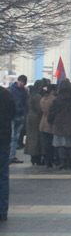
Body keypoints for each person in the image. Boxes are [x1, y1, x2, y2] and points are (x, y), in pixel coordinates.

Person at [47, 79, 71, 170]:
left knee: (60, 144)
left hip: (58, 125)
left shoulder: (57, 99)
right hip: (70, 125)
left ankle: (62, 162)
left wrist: (51, 120)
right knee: (69, 144)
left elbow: (51, 112)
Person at [0, 85, 16, 221]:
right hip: (3, 139)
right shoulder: (6, 94)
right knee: (3, 176)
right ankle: (2, 210)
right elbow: (13, 114)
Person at [8, 74, 28, 164]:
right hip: (13, 116)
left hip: (20, 115)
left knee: (16, 137)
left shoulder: (24, 91)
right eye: (21, 82)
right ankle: (9, 156)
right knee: (12, 137)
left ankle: (11, 156)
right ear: (18, 81)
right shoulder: (11, 90)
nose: (22, 84)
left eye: (23, 82)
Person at [24, 80, 44, 165]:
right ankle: (37, 157)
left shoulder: (31, 95)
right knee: (37, 138)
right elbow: (40, 109)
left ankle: (33, 157)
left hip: (30, 117)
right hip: (37, 118)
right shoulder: (39, 97)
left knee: (31, 137)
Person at [39, 85, 57, 167]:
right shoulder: (53, 100)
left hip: (43, 122)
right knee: (51, 142)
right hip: (51, 123)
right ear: (52, 91)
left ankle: (46, 159)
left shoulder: (42, 99)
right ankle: (51, 159)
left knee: (45, 142)